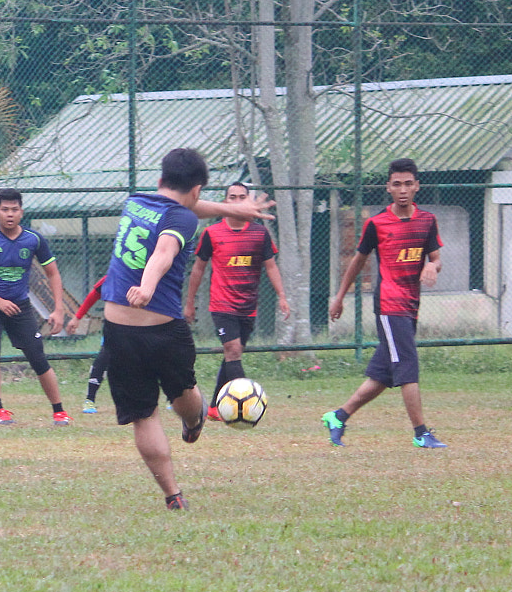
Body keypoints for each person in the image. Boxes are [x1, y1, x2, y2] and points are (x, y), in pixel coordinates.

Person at [102, 148, 273, 510]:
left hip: (118, 328)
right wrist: (148, 286)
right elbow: (163, 252)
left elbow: (185, 209)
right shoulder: (181, 220)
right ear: (197, 189)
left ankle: (172, 495)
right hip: (162, 328)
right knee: (185, 394)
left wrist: (232, 209)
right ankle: (195, 421)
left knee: (142, 415)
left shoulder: (135, 202)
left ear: (161, 179)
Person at [321, 158, 446, 449]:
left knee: (383, 373)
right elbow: (357, 261)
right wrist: (339, 296)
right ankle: (420, 433)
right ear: (388, 188)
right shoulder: (377, 223)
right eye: (397, 184)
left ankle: (338, 417)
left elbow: (436, 258)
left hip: (411, 304)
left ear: (417, 186)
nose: (403, 189)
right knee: (407, 366)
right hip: (389, 305)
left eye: (408, 184)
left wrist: (432, 267)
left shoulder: (427, 220)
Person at [183, 181, 292, 420]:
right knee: (232, 351)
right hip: (222, 305)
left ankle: (212, 408)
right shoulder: (212, 233)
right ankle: (247, 408)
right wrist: (189, 303)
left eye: (242, 196)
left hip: (248, 307)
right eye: (232, 197)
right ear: (225, 202)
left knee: (233, 354)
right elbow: (198, 270)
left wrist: (282, 296)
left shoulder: (259, 233)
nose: (237, 200)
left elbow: (271, 266)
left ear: (249, 201)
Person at [0, 189, 72, 426]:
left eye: (14, 210)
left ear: (21, 212)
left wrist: (58, 310)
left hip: (20, 307)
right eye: (5, 210)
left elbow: (53, 274)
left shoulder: (34, 240)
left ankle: (59, 411)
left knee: (37, 356)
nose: (10, 214)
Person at [65, 274, 108, 414]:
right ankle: (90, 400)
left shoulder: (149, 276)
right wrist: (77, 318)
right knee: (103, 359)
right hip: (115, 327)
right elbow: (93, 296)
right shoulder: (113, 276)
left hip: (140, 326)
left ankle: (172, 396)